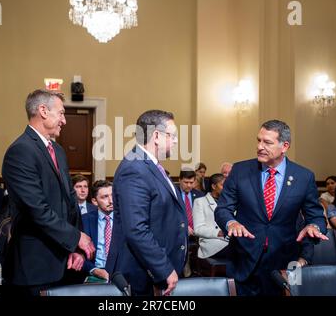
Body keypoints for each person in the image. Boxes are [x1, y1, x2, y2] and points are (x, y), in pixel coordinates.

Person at [214, 119, 328, 296]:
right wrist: (230, 223)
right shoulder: (240, 170)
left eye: (267, 142)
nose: (260, 146)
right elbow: (222, 209)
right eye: (258, 140)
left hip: (284, 264)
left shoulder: (303, 177)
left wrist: (314, 226)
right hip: (245, 260)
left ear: (285, 146)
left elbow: (316, 216)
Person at [2, 89, 95, 296]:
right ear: (43, 111)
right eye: (61, 113)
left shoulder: (58, 151)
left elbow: (71, 201)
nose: (64, 120)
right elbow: (37, 210)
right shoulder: (21, 151)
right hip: (35, 265)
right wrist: (75, 237)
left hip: (65, 261)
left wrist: (76, 248)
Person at [106, 110, 188, 296]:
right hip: (141, 274)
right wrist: (164, 268)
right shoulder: (134, 169)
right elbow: (136, 229)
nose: (175, 141)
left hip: (154, 270)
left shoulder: (150, 166)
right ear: (157, 136)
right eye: (172, 136)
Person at [81, 180, 114, 282]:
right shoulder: (84, 220)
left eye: (112, 195)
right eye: (105, 197)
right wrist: (94, 270)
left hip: (120, 273)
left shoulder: (125, 220)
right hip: (95, 273)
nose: (111, 201)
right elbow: (78, 254)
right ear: (95, 201)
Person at [193, 173, 229, 259]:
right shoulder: (200, 202)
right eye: (223, 185)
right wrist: (218, 233)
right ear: (213, 186)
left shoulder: (229, 203)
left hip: (229, 240)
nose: (226, 189)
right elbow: (198, 229)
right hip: (211, 242)